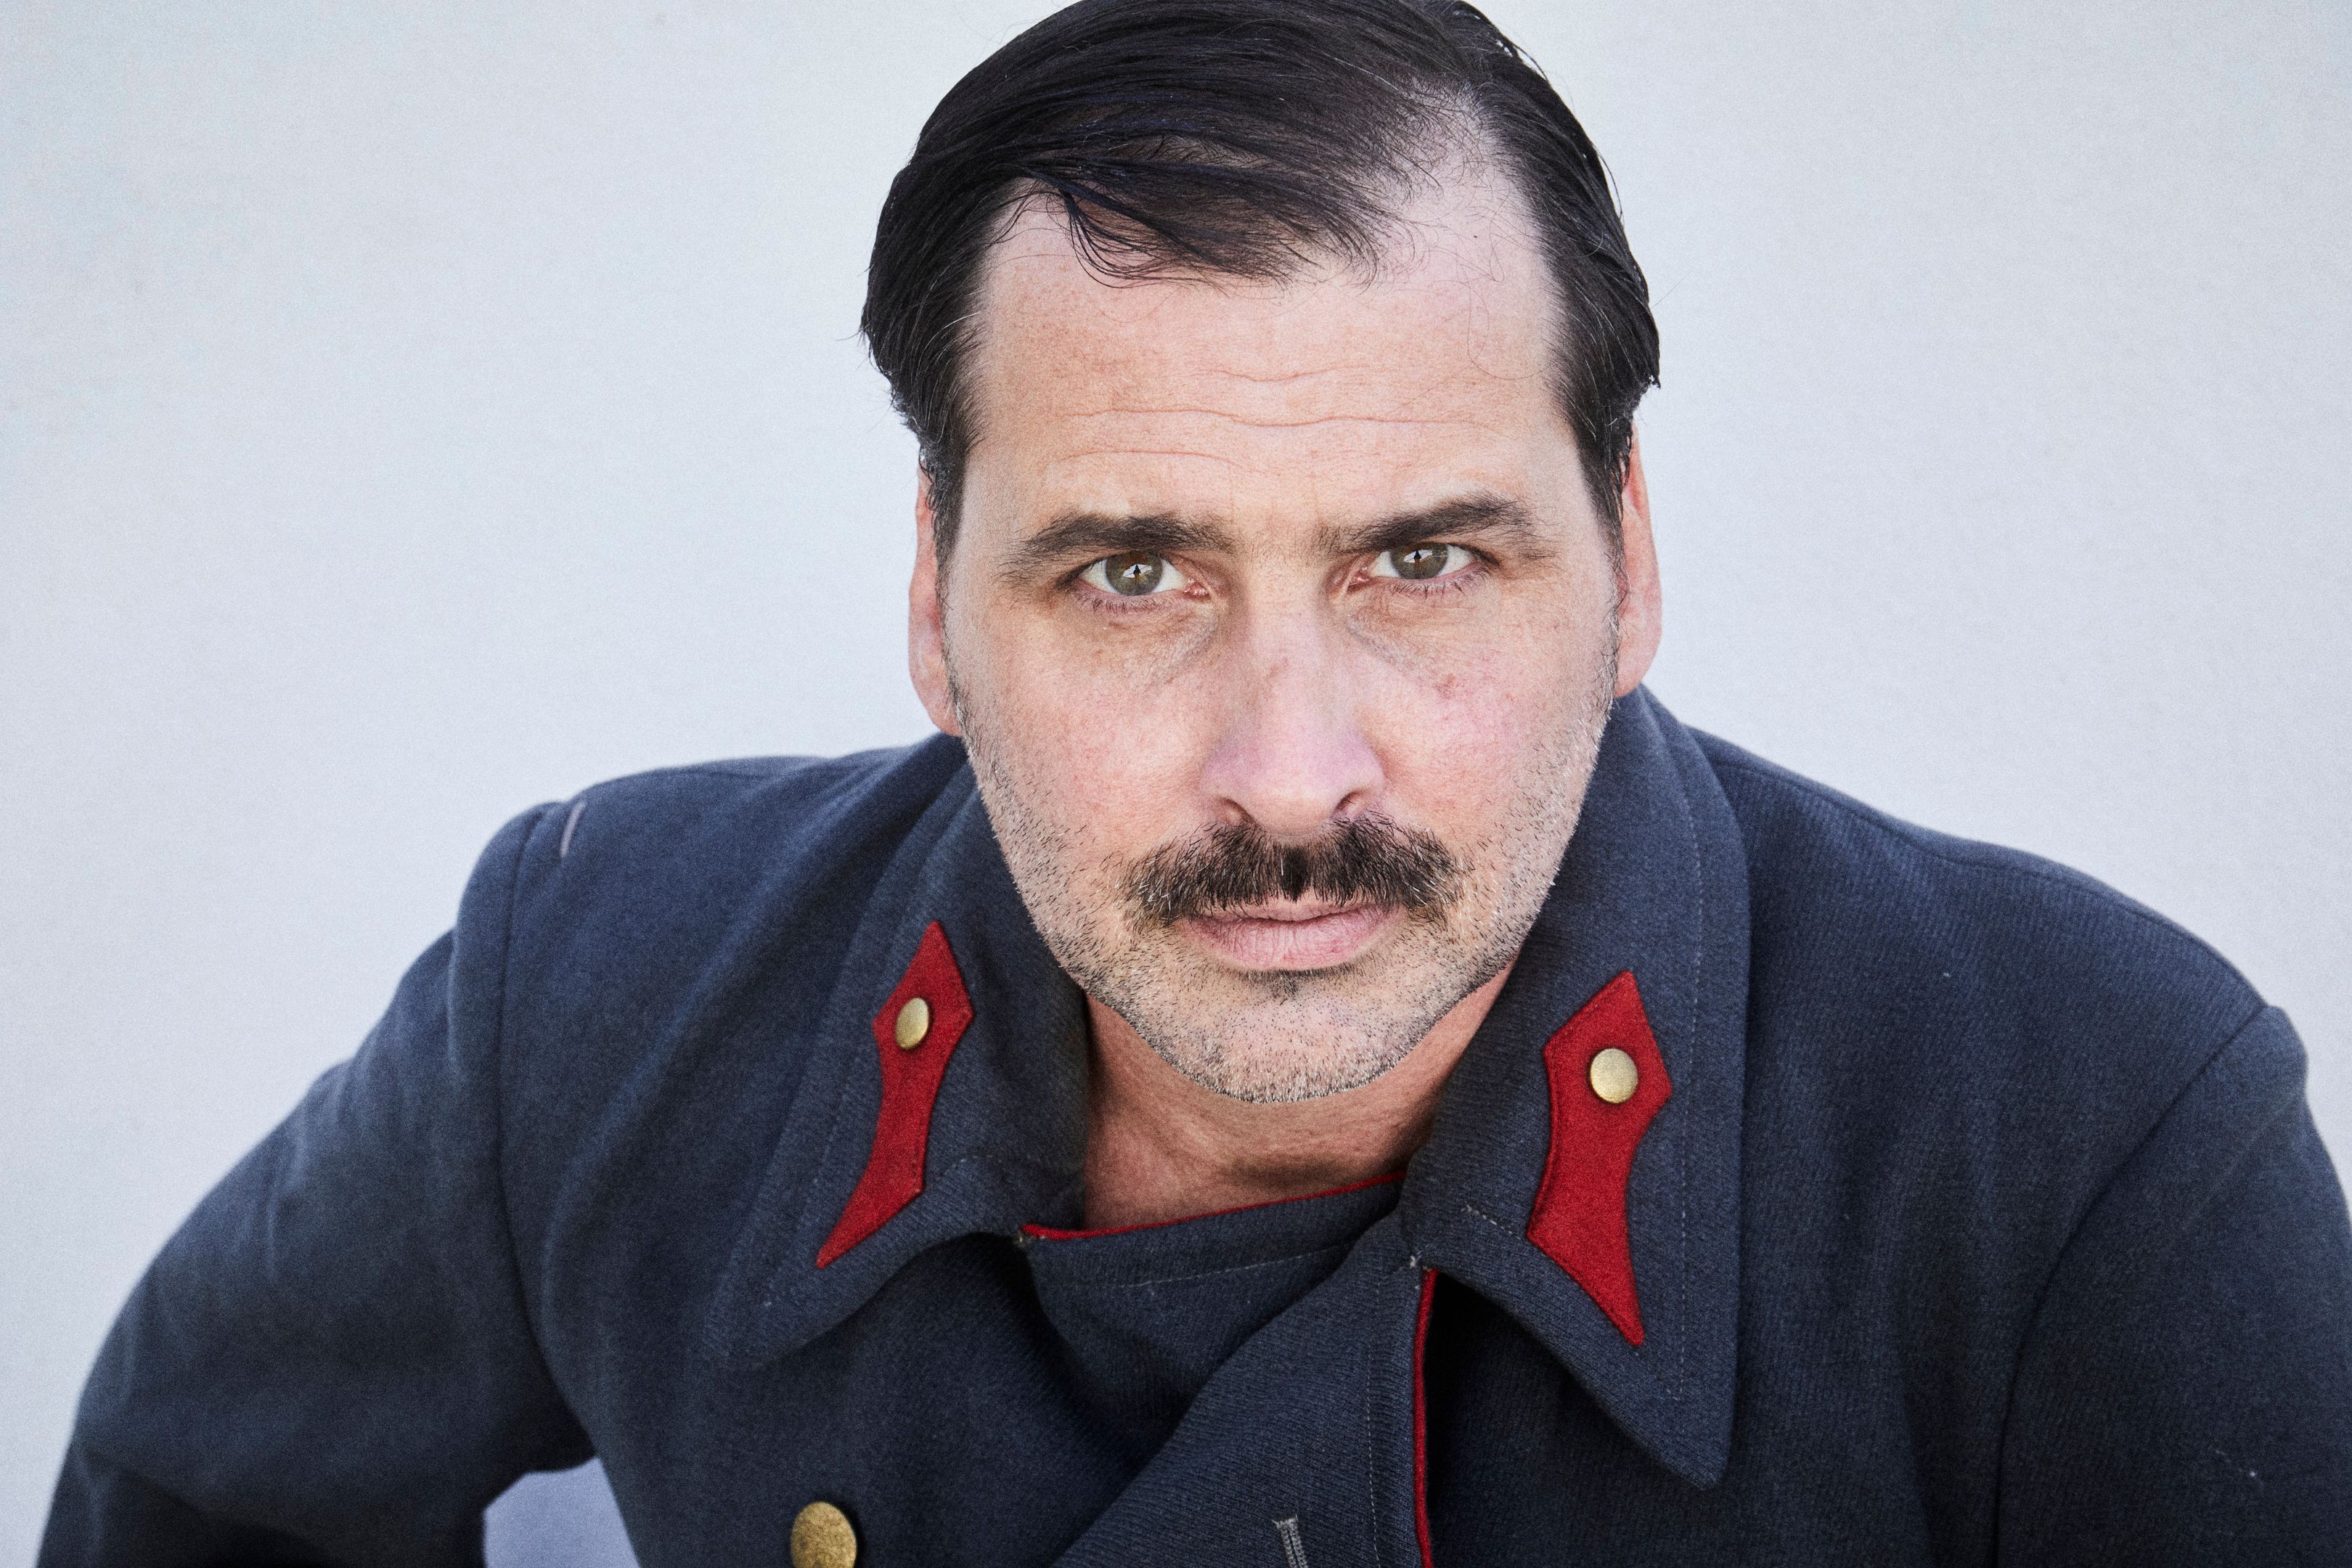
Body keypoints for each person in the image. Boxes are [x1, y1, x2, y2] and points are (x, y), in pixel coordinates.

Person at [41, 0, 2352, 1562]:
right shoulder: (598, 980)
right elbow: (198, 1508)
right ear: (936, 597)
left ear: (1628, 565)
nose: (1291, 773)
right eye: (1132, 571)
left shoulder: (2089, 1142)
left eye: (1423, 561)